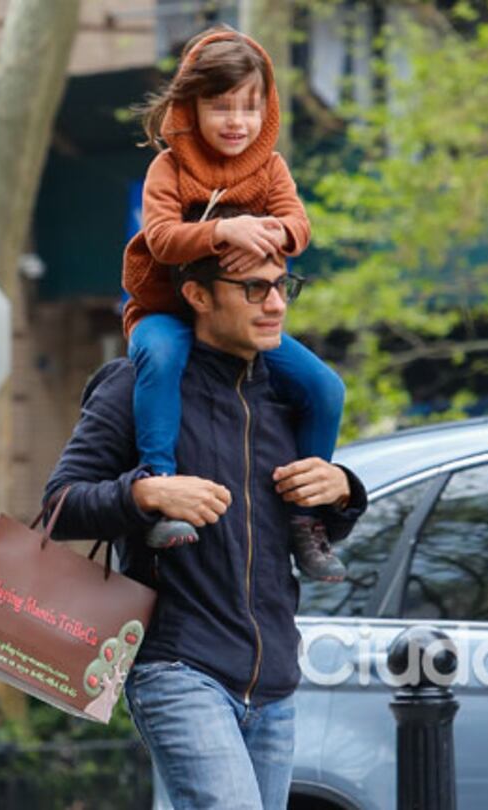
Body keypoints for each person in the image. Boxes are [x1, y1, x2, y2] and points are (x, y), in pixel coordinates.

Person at [44, 208, 369, 809]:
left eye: (282, 286)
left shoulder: (288, 398)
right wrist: (142, 495)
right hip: (178, 665)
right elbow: (59, 508)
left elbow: (306, 531)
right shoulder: (133, 387)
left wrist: (341, 491)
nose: (275, 304)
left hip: (273, 681)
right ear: (196, 294)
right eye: (254, 288)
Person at [124, 25, 347, 581]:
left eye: (250, 108)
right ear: (190, 107)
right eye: (220, 106)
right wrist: (226, 233)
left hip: (237, 321)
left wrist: (268, 232)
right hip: (167, 313)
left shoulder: (269, 168)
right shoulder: (169, 169)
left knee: (324, 387)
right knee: (160, 358)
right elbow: (162, 240)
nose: (236, 122)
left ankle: (305, 517)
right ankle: (160, 485)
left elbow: (298, 226)